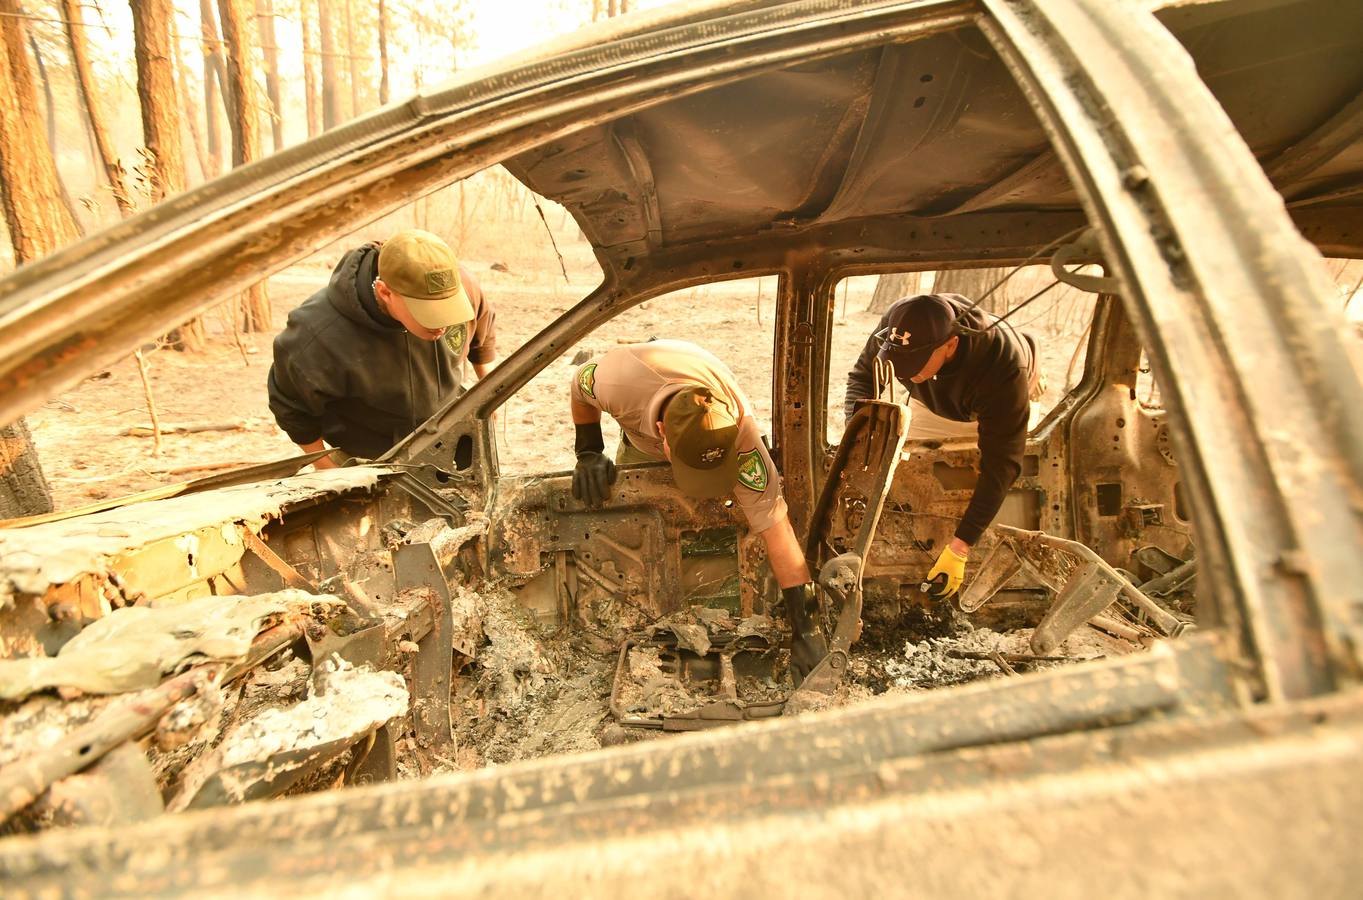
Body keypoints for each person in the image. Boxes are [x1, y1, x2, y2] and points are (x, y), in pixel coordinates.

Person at [569, 339, 826, 681]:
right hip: (641, 427)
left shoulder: (741, 438)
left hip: (714, 415)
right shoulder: (616, 382)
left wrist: (807, 628)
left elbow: (777, 528)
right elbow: (577, 386)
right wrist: (588, 449)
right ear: (662, 433)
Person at [844, 293, 1042, 600]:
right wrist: (858, 435)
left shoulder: (1003, 370)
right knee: (915, 471)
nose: (903, 372)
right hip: (933, 402)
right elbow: (861, 376)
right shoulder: (900, 320)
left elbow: (1003, 465)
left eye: (913, 363)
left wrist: (961, 547)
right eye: (898, 360)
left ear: (950, 344)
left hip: (994, 398)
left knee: (976, 479)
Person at [268, 229, 496, 468]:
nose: (443, 324)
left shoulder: (461, 285)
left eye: (449, 309)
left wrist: (488, 394)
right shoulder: (317, 334)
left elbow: (482, 327)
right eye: (429, 314)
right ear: (385, 292)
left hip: (452, 439)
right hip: (372, 459)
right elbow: (292, 407)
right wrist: (326, 468)